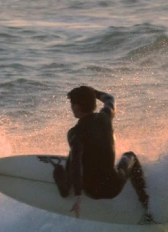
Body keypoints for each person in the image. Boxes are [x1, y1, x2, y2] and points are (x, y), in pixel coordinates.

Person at [53, 85, 153, 223]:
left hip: (91, 191)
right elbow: (110, 98)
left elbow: (76, 162)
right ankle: (146, 206)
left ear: (76, 107)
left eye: (72, 104)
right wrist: (95, 93)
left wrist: (78, 195)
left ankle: (65, 188)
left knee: (72, 155)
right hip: (113, 187)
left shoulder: (74, 133)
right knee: (131, 156)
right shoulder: (106, 116)